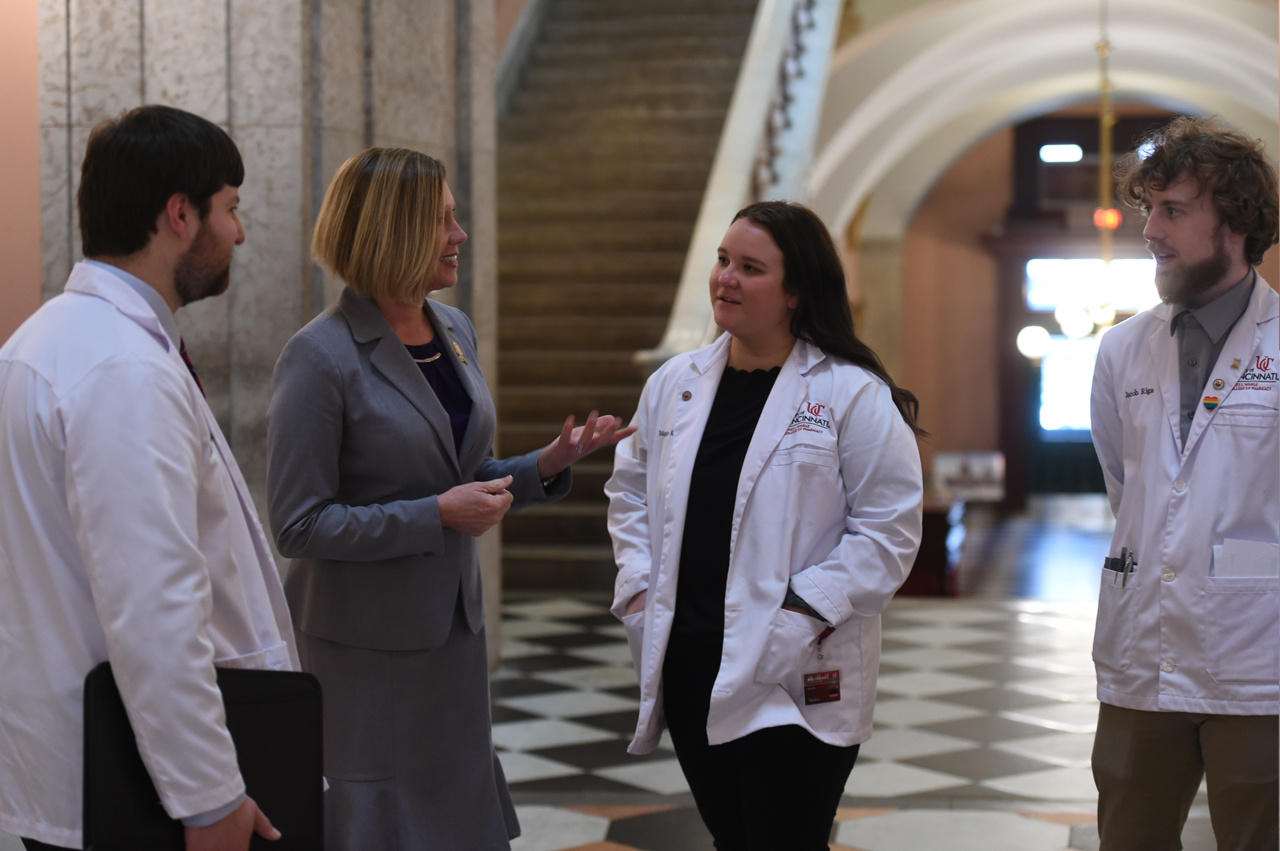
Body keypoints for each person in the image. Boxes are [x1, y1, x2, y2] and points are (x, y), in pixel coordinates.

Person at [266, 146, 635, 851]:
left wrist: (547, 464)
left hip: (452, 636)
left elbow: (465, 472)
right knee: (379, 819)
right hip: (363, 645)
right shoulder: (320, 356)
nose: (460, 235)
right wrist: (436, 515)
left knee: (451, 817)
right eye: (443, 220)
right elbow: (299, 522)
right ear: (391, 232)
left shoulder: (453, 329)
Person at [0, 105, 297, 851]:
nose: (239, 230)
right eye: (229, 208)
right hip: (138, 788)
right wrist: (209, 796)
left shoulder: (43, 341)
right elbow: (154, 603)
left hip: (80, 762)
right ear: (178, 215)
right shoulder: (122, 369)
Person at [606, 201, 924, 850]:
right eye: (723, 260)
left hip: (795, 659)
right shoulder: (674, 384)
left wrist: (802, 612)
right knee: (732, 836)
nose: (726, 277)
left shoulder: (850, 394)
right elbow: (630, 490)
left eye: (750, 267)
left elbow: (888, 532)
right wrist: (639, 586)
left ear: (794, 292)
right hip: (691, 656)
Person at [1089, 116, 1279, 850]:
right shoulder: (1122, 348)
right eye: (1148, 209)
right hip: (1143, 650)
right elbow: (1127, 486)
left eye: (1172, 210)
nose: (1149, 231)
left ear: (1232, 222)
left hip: (1259, 659)